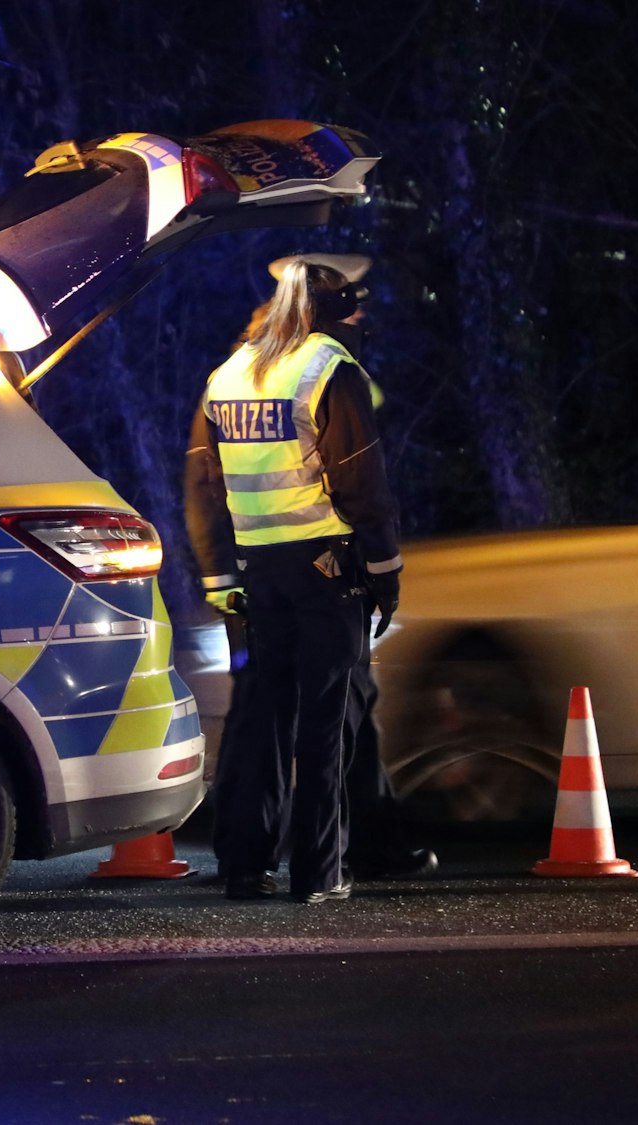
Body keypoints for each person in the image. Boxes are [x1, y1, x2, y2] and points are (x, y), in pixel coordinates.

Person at [185, 256, 404, 904]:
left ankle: (245, 865)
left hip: (256, 572)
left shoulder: (225, 376)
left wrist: (220, 576)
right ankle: (319, 871)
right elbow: (362, 481)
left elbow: (203, 484)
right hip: (325, 568)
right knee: (325, 720)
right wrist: (385, 573)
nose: (361, 318)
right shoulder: (328, 369)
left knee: (259, 715)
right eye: (354, 306)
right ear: (329, 309)